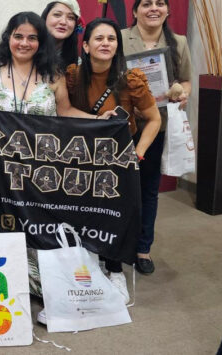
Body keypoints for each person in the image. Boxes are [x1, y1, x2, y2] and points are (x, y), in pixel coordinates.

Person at [0, 11, 114, 325]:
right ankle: (14, 287)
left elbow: (65, 112)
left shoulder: (53, 75)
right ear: (8, 38)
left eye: (32, 37)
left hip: (44, 172)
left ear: (41, 42)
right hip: (5, 172)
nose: (24, 43)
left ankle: (48, 287)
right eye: (18, 36)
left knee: (43, 226)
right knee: (8, 225)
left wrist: (98, 121)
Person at [65, 17, 161, 303]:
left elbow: (154, 119)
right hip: (81, 154)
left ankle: (115, 269)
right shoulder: (72, 76)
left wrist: (138, 152)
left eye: (111, 39)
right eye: (99, 38)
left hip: (118, 158)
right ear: (86, 45)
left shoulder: (130, 80)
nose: (105, 43)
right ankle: (87, 265)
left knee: (114, 214)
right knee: (83, 212)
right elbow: (62, 110)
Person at [122, 0, 192, 275]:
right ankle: (114, 243)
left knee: (148, 190)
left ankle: (143, 248)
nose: (154, 8)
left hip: (156, 126)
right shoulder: (120, 38)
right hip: (122, 126)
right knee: (117, 188)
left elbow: (186, 80)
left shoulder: (179, 42)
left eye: (159, 3)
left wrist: (183, 94)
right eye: (147, 3)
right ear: (135, 10)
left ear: (167, 9)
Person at [41, 0, 84, 72]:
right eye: (57, 15)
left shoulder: (77, 64)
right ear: (45, 17)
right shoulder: (29, 53)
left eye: (70, 18)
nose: (63, 22)